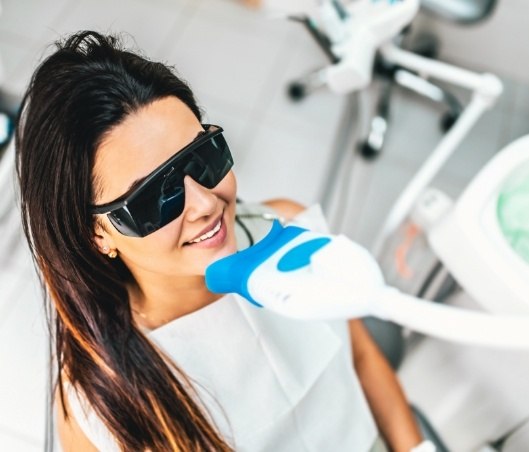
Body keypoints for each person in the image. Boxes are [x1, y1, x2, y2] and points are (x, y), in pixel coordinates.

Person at [15, 31, 424, 451]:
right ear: (97, 233)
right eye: (156, 196)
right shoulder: (98, 404)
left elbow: (361, 358)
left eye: (201, 157)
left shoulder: (285, 223)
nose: (206, 204)